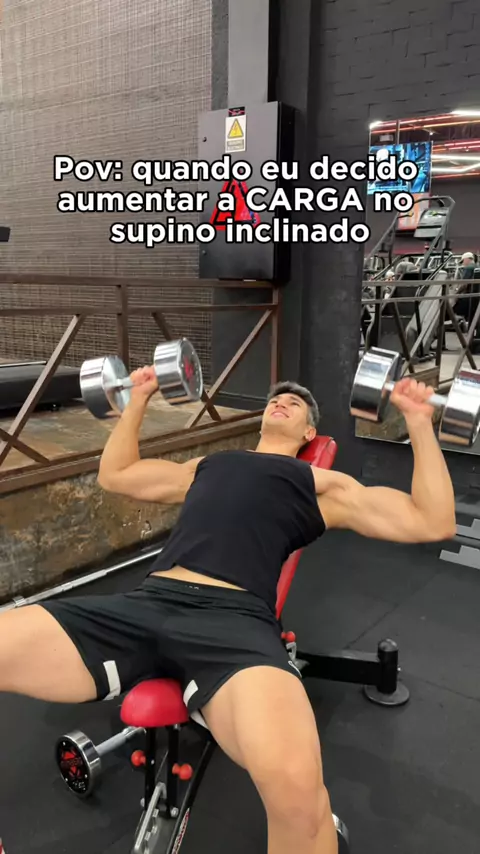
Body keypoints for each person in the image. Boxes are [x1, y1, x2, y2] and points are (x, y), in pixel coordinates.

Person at [0, 369, 456, 854]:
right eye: (276, 398)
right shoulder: (209, 465)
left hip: (235, 627)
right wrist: (137, 400)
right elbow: (117, 474)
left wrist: (418, 420)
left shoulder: (321, 484)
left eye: (295, 404)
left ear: (309, 433)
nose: (282, 401)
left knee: (300, 795)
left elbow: (432, 520)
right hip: (146, 605)